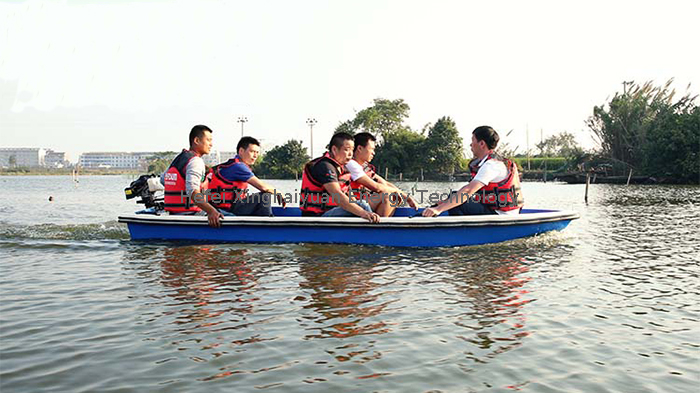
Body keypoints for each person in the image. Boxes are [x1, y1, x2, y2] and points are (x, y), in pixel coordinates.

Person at [422, 125, 524, 217]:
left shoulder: (492, 165)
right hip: (494, 210)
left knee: (458, 200)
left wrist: (438, 209)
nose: (471, 145)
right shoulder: (486, 163)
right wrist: (444, 203)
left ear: (482, 143)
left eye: (472, 141)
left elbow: (468, 191)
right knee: (454, 196)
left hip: (502, 214)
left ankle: (462, 233)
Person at [299, 132, 380, 223]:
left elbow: (350, 197)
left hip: (333, 212)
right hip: (317, 217)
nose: (350, 154)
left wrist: (361, 210)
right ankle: (375, 233)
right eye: (346, 150)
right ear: (334, 149)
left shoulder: (343, 168)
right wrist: (363, 213)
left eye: (352, 150)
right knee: (362, 205)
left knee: (361, 204)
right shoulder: (324, 166)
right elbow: (337, 195)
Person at [206, 136, 286, 216]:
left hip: (227, 206)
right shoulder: (238, 167)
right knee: (264, 196)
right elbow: (263, 187)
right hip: (228, 210)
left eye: (257, 152)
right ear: (241, 151)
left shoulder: (234, 165)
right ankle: (267, 226)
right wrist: (278, 192)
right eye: (252, 151)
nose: (255, 156)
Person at [162, 125, 224, 228]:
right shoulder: (196, 161)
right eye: (208, 140)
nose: (211, 144)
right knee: (227, 215)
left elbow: (163, 180)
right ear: (196, 140)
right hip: (190, 215)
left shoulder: (178, 158)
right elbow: (193, 192)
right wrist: (212, 211)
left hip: (174, 213)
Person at [347, 132, 417, 216]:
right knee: (387, 195)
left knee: (394, 197)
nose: (373, 153)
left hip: (364, 203)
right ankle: (380, 227)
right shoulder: (350, 164)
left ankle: (380, 225)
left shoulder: (365, 167)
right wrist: (404, 196)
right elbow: (377, 187)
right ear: (360, 148)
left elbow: (385, 183)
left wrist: (406, 197)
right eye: (372, 149)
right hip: (353, 205)